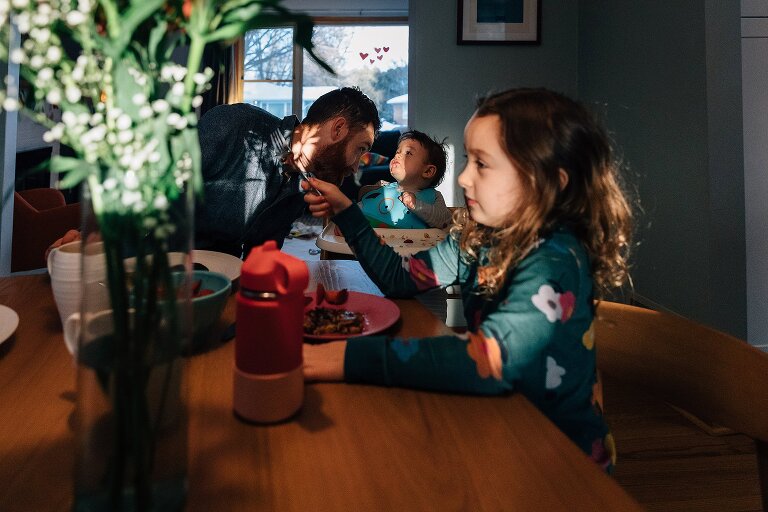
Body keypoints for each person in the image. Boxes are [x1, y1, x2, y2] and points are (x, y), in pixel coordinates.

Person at [301, 88, 633, 472]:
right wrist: (346, 210)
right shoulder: (476, 240)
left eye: (482, 164)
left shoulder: (555, 262)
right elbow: (398, 278)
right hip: (496, 424)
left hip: (559, 459)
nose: (463, 177)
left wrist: (345, 357)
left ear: (549, 183)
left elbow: (488, 361)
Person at [195, 86, 380, 258]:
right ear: (338, 129)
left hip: (222, 277)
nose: (356, 167)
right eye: (360, 149)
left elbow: (261, 255)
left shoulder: (303, 182)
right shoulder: (233, 124)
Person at [359, 130, 452, 229]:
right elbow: (360, 202)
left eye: (408, 153)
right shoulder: (385, 186)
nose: (397, 155)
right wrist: (371, 189)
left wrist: (416, 205)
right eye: (398, 152)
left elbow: (444, 221)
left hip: (406, 242)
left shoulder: (434, 196)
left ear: (428, 171)